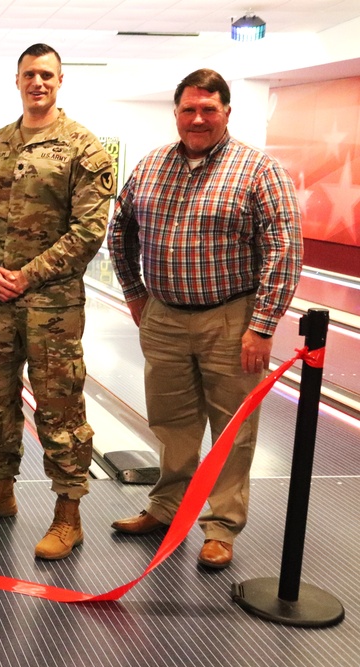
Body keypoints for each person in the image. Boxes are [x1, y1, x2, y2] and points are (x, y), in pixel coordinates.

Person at [107, 69, 303, 569]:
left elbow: (284, 250)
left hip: (231, 318)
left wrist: (261, 325)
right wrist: (134, 295)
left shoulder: (258, 170)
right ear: (176, 113)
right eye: (189, 109)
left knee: (233, 428)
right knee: (171, 422)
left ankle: (221, 527)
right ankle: (167, 506)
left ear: (226, 113)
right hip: (165, 316)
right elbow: (119, 233)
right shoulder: (150, 167)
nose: (198, 118)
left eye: (208, 109)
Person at [0, 43, 116, 561]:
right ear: (17, 80)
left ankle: (68, 517)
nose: (38, 83)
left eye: (47, 75)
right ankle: (1, 493)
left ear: (61, 80)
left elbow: (89, 230)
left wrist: (25, 275)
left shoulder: (83, 149)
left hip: (53, 306)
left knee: (60, 406)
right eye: (29, 75)